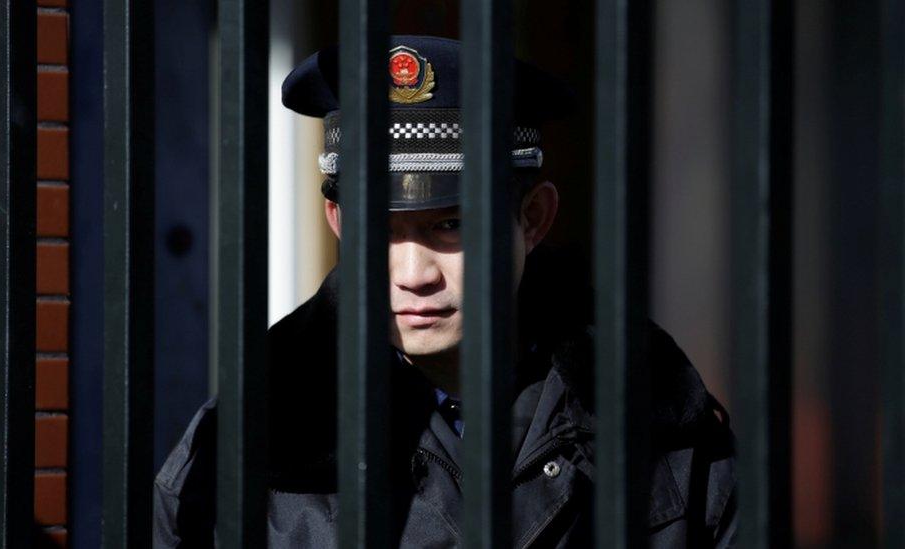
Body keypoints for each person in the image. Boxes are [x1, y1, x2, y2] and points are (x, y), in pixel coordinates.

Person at [153, 35, 737, 548]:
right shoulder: (251, 443)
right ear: (338, 220)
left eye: (451, 224)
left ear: (533, 219)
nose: (414, 272)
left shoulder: (661, 424)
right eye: (381, 229)